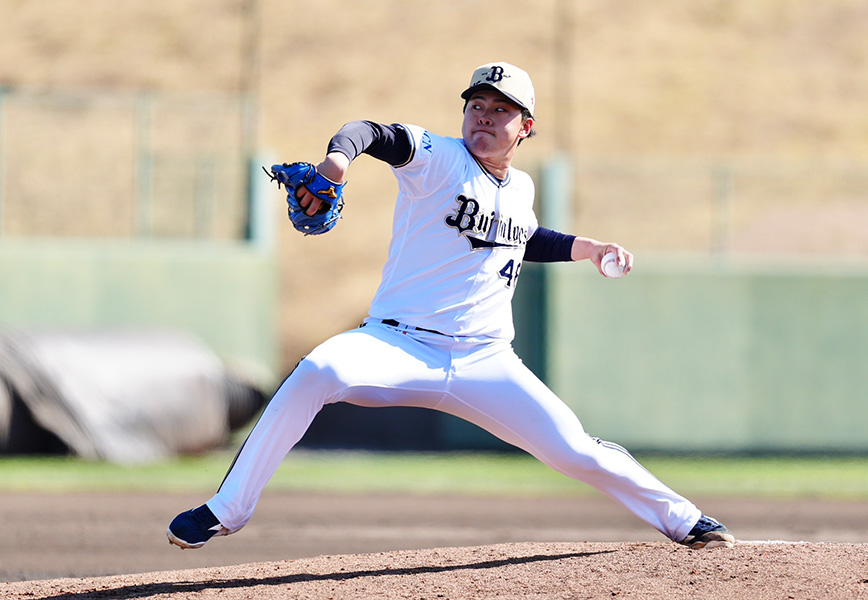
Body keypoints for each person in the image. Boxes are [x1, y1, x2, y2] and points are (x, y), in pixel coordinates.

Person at [166, 62, 735, 551]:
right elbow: (367, 131)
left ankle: (684, 520)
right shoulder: (437, 157)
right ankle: (228, 509)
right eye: (477, 105)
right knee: (317, 371)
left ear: (525, 127)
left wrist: (586, 248)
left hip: (487, 362)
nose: (485, 116)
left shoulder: (522, 190)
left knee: (575, 450)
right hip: (396, 344)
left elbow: (523, 236)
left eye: (501, 110)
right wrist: (338, 161)